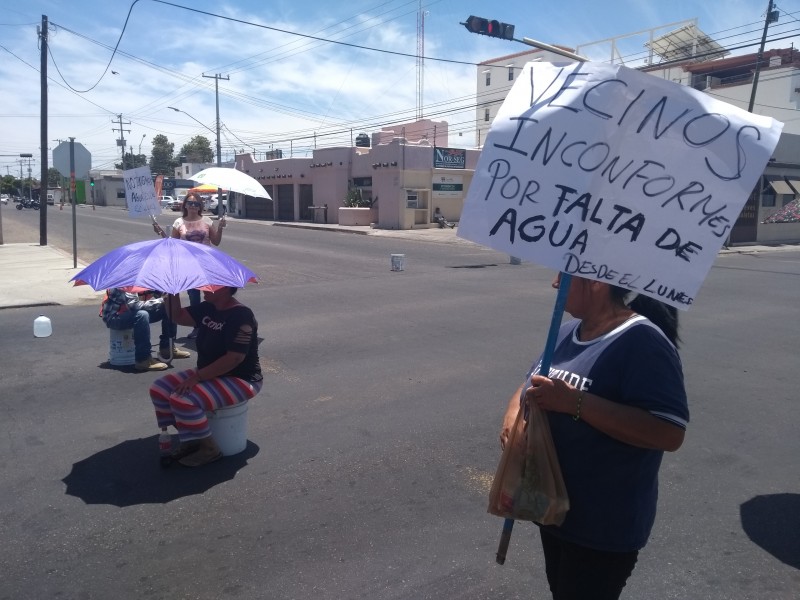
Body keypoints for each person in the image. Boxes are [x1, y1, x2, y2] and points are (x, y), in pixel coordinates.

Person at [499, 273, 689, 600]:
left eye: (563, 276)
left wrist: (576, 402)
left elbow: (669, 432)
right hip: (553, 510)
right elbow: (531, 381)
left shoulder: (643, 342)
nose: (555, 285)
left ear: (596, 282)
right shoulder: (565, 332)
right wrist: (514, 415)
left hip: (603, 528)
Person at [149, 286, 263, 467]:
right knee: (160, 389)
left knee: (183, 400)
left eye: (211, 285)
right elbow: (177, 316)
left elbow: (235, 358)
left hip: (240, 378)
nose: (204, 288)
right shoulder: (208, 307)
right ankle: (192, 439)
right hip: (209, 373)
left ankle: (210, 449)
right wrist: (172, 291)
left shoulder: (241, 315)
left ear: (225, 289)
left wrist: (197, 377)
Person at [153, 192, 226, 339]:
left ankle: (214, 323)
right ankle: (197, 326)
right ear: (185, 205)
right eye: (190, 203)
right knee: (194, 296)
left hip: (206, 263)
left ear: (200, 206)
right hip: (188, 265)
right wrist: (160, 231)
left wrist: (220, 228)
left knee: (212, 295)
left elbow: (216, 242)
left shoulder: (206, 220)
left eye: (196, 204)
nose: (193, 206)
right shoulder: (179, 222)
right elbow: (171, 244)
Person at [100, 288, 191, 371]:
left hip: (131, 313)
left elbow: (158, 291)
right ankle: (143, 359)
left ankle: (167, 347)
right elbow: (135, 306)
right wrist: (162, 299)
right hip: (114, 317)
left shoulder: (144, 279)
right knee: (142, 315)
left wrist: (169, 295)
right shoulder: (124, 284)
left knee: (169, 306)